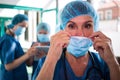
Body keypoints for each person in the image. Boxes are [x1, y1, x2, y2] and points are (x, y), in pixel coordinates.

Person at [32, 1, 120, 80]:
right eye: (71, 26)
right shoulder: (47, 62)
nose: (80, 34)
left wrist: (112, 62)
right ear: (62, 30)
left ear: (95, 28)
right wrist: (51, 59)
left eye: (87, 26)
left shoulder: (103, 63)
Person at [0, 14, 38, 80]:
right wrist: (27, 55)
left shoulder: (14, 40)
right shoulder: (7, 40)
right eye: (22, 26)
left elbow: (18, 57)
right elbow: (8, 66)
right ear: (14, 24)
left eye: (25, 27)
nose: (23, 29)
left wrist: (29, 52)